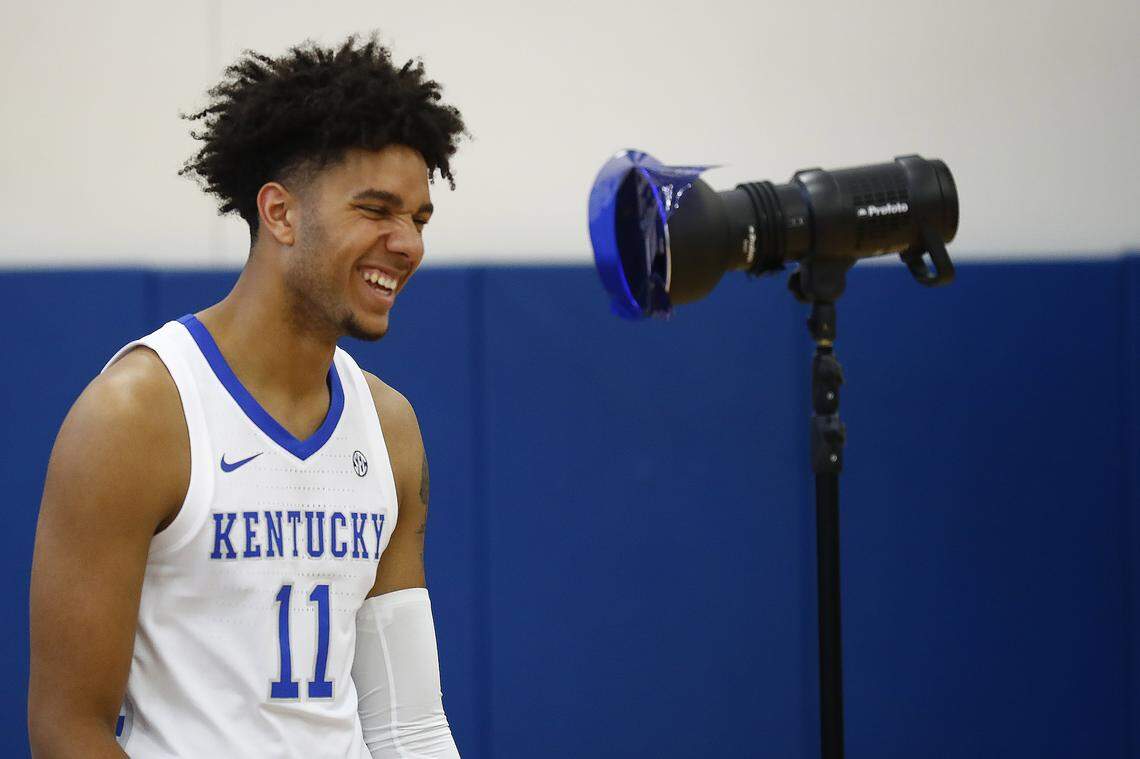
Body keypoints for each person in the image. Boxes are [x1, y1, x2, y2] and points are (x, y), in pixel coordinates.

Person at [27, 33, 468, 758]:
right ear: (280, 213)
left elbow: (408, 726)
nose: (408, 243)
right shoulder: (135, 414)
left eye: (418, 219)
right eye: (377, 209)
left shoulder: (389, 428)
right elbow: (67, 730)